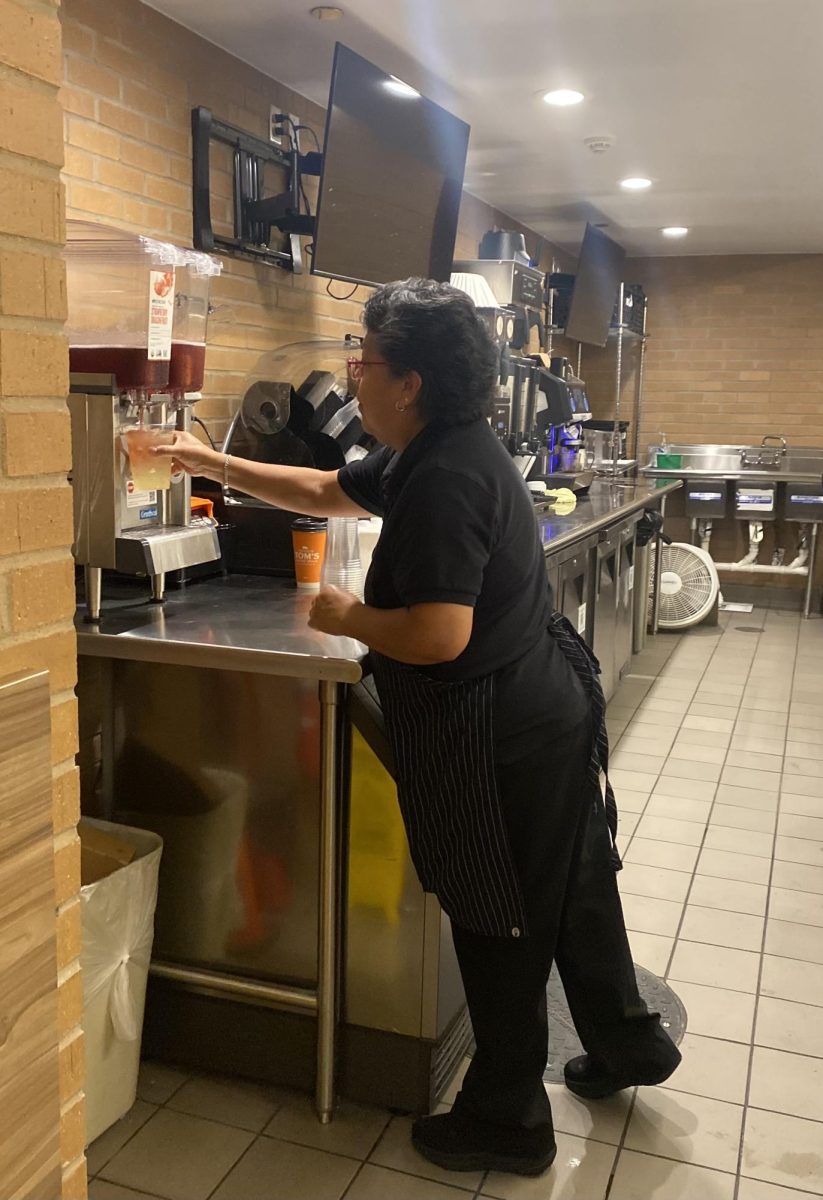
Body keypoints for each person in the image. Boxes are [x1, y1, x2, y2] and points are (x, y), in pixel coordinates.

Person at [157, 278, 680, 1178]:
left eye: (364, 356)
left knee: (500, 915)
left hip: (497, 738)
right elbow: (329, 488)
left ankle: (508, 1117)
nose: (351, 370)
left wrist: (345, 616)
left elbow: (439, 636)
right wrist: (210, 465)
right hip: (541, 712)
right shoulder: (435, 447)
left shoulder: (443, 475)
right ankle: (629, 1045)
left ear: (409, 381)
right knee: (574, 887)